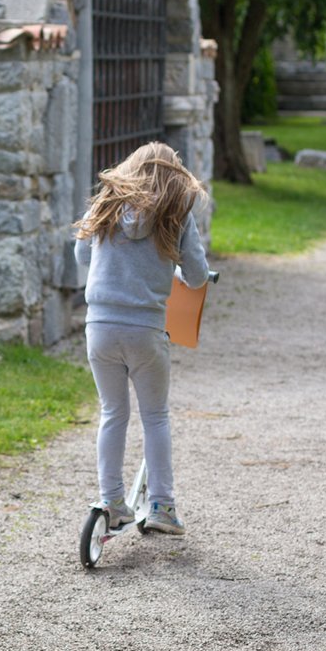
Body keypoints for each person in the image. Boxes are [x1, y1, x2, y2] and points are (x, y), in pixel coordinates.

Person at [75, 142, 211, 537]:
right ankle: (162, 506)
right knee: (155, 416)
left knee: (113, 413)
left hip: (99, 327)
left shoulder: (107, 203)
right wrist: (178, 275)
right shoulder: (176, 212)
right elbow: (198, 274)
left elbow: (83, 257)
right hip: (145, 329)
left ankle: (112, 501)